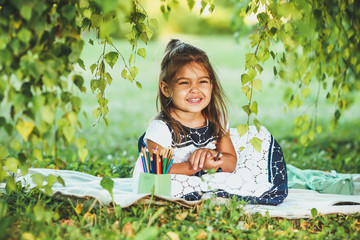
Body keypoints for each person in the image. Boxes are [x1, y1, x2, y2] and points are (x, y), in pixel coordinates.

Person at [135, 39, 288, 205]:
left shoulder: (217, 119)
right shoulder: (161, 129)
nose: (195, 89)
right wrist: (194, 166)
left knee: (252, 154)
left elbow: (230, 164)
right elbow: (155, 173)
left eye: (202, 82)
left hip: (207, 174)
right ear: (166, 89)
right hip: (173, 177)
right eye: (184, 83)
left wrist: (213, 156)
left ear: (211, 85)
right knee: (159, 189)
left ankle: (211, 189)